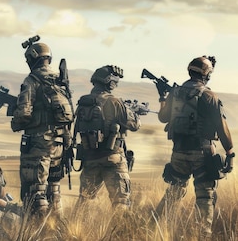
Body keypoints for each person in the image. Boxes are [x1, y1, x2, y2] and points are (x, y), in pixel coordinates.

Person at [155, 56, 234, 238]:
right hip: (202, 152)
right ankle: (202, 235)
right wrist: (230, 152)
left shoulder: (175, 93)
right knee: (205, 196)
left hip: (178, 152)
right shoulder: (208, 95)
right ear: (206, 75)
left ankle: (154, 226)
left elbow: (163, 118)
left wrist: (162, 97)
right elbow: (221, 126)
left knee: (174, 191)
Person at [10, 39, 74, 217]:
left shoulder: (32, 80)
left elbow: (24, 113)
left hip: (39, 143)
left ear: (32, 58)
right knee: (54, 189)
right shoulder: (60, 80)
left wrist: (15, 122)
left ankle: (39, 230)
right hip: (60, 144)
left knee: (36, 191)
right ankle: (58, 227)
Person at [73, 65, 140, 210]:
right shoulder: (114, 101)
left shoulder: (83, 103)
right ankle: (121, 231)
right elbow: (134, 125)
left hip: (90, 159)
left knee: (85, 200)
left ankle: (74, 228)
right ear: (110, 82)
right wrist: (133, 113)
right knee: (121, 201)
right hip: (112, 158)